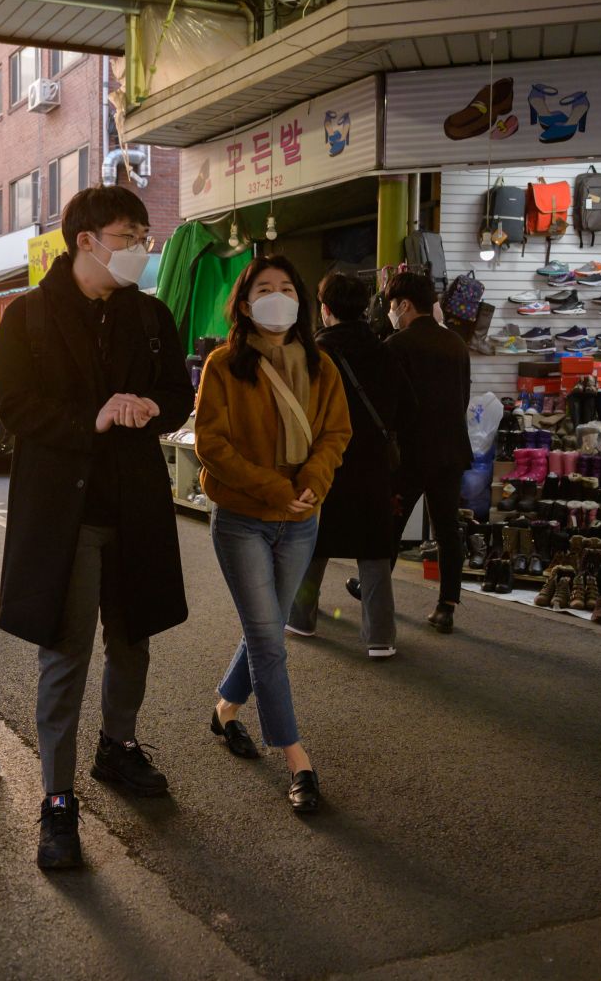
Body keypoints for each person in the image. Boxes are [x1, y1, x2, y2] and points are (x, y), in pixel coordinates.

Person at [0, 186, 194, 870]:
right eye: (128, 234)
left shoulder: (151, 315)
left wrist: (150, 405)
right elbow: (14, 406)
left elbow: (180, 394)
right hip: (65, 513)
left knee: (135, 635)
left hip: (135, 504)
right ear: (85, 239)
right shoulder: (28, 317)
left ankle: (119, 744)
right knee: (66, 651)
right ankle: (57, 797)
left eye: (144, 235)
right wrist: (93, 419)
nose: (141, 246)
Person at [194, 255, 351, 814]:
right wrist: (271, 488)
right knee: (268, 640)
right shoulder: (221, 365)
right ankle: (298, 760)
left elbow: (336, 432)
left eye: (287, 287)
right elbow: (211, 443)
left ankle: (224, 711)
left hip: (302, 520)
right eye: (265, 288)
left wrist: (311, 482)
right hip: (242, 519)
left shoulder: (321, 364)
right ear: (244, 302)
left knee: (265, 631)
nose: (277, 296)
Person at [287, 273, 413, 658]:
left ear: (324, 310)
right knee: (374, 551)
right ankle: (380, 637)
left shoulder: (314, 353)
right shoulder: (385, 351)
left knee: (313, 544)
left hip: (325, 460)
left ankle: (301, 617)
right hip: (373, 464)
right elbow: (407, 408)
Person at [376, 271, 472, 634]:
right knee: (448, 530)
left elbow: (389, 405)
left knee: (391, 525)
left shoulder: (396, 346)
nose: (390, 312)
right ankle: (446, 606)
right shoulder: (457, 344)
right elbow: (462, 398)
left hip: (410, 454)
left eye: (391, 305)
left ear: (404, 305)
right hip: (451, 452)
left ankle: (375, 591)